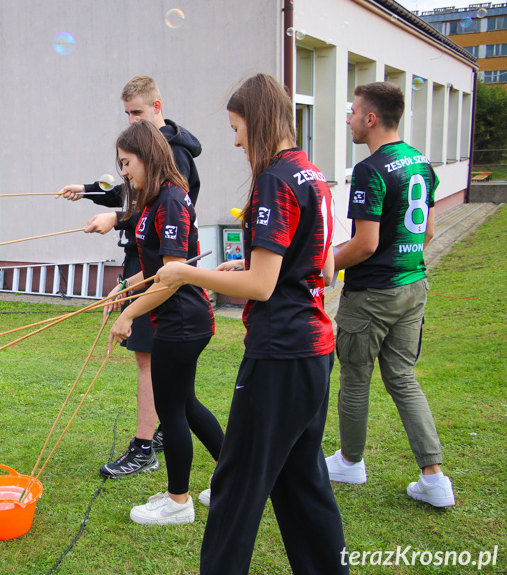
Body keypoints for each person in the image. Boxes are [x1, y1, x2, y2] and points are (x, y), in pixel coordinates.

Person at [156, 73, 347, 573]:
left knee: (236, 485)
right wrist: (244, 264)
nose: (236, 140)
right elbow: (320, 263)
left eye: (237, 128)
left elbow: (264, 287)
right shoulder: (311, 173)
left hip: (280, 354)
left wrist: (184, 271)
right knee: (302, 481)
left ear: (258, 122)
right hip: (314, 352)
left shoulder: (274, 179)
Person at [57, 75, 203, 478]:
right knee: (171, 384)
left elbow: (157, 207)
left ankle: (145, 445)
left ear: (158, 107)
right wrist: (88, 190)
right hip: (142, 267)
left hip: (159, 273)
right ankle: (161, 433)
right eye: (127, 114)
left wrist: (117, 217)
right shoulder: (143, 155)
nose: (132, 120)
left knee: (151, 363)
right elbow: (128, 188)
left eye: (138, 112)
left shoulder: (175, 161)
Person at [326, 82, 455, 508]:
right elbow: (429, 230)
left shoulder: (371, 169)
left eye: (352, 112)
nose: (347, 121)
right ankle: (434, 478)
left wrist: (325, 263)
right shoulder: (422, 163)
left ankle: (350, 461)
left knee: (356, 379)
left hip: (372, 295)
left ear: (371, 118)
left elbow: (363, 244)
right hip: (413, 285)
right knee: (402, 378)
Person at [107, 119, 223, 525]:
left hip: (182, 321)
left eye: (127, 162)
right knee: (186, 405)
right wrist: (124, 287)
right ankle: (233, 477)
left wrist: (128, 314)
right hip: (178, 319)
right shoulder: (156, 199)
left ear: (147, 156)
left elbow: (172, 278)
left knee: (172, 410)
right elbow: (157, 268)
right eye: (120, 165)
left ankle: (178, 503)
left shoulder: (172, 200)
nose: (124, 172)